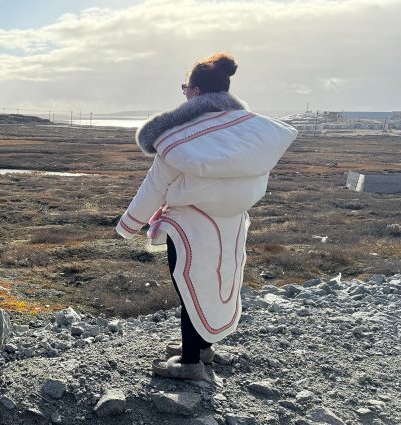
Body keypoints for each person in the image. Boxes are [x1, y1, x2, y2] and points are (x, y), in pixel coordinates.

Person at [115, 53, 298, 380]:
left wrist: (128, 225)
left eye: (185, 87)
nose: (184, 93)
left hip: (189, 224)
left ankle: (189, 364)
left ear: (196, 92)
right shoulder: (250, 131)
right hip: (232, 221)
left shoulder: (181, 135)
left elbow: (155, 185)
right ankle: (202, 347)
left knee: (190, 286)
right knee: (217, 281)